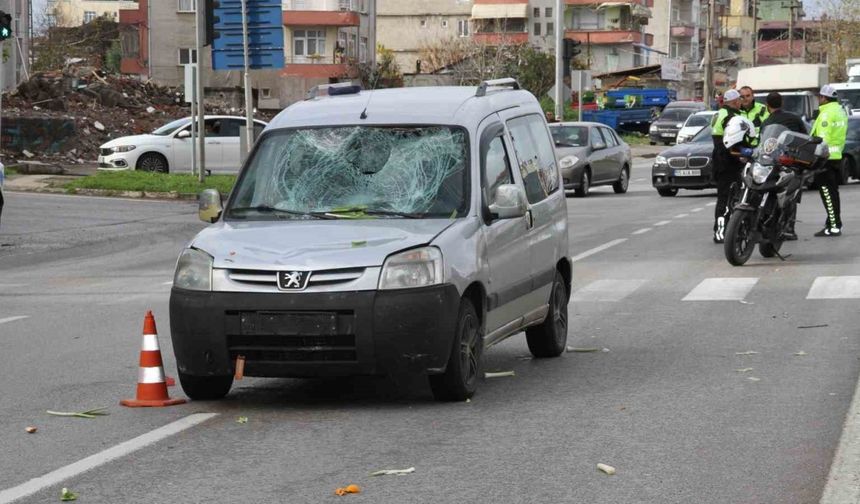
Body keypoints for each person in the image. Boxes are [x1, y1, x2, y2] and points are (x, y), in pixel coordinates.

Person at [761, 91, 806, 240]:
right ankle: (788, 228)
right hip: (791, 162)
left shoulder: (766, 122)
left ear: (767, 105)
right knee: (791, 195)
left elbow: (762, 143)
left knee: (769, 190)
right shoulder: (794, 118)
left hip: (771, 163)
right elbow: (805, 138)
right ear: (782, 103)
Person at [810, 84, 848, 237]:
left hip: (824, 159)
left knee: (827, 193)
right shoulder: (839, 111)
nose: (818, 99)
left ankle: (834, 226)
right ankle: (832, 223)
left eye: (819, 97)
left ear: (824, 98)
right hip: (836, 156)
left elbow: (823, 139)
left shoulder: (826, 114)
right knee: (833, 193)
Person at [711, 89, 744, 243]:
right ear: (735, 101)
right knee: (727, 199)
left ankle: (728, 231)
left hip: (721, 160)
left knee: (727, 198)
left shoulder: (720, 113)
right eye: (739, 100)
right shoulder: (731, 117)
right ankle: (721, 233)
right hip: (728, 162)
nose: (741, 102)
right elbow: (733, 142)